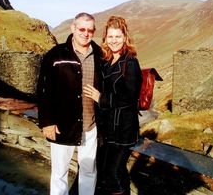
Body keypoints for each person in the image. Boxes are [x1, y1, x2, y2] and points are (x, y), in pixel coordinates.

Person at [37, 12, 102, 195]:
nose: (85, 33)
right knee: (59, 173)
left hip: (91, 126)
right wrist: (47, 121)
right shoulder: (55, 55)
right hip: (62, 126)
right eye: (81, 28)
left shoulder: (99, 55)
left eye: (90, 30)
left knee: (89, 171)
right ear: (73, 28)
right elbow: (43, 90)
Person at [84, 16, 143, 195]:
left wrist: (100, 98)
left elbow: (129, 99)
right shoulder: (107, 61)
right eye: (110, 37)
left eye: (118, 37)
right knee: (116, 171)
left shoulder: (130, 62)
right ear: (105, 38)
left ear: (125, 38)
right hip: (108, 128)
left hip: (124, 130)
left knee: (112, 173)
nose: (114, 41)